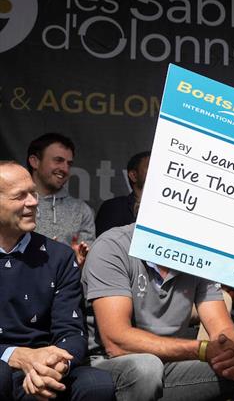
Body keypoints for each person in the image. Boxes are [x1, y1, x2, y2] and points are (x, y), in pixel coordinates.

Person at [82, 223, 234, 401]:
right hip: (116, 365)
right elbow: (117, 342)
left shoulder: (197, 254)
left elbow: (221, 326)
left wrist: (226, 352)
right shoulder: (113, 246)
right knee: (147, 367)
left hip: (174, 366)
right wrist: (201, 349)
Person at [0, 160, 115, 401]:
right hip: (3, 362)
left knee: (97, 384)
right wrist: (14, 355)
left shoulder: (58, 256)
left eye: (33, 192)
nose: (33, 202)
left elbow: (71, 330)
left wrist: (56, 364)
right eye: (20, 196)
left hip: (46, 363)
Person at [27, 133, 94, 266]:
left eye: (69, 164)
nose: (64, 168)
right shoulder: (14, 203)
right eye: (58, 160)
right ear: (35, 161)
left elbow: (87, 261)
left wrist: (78, 262)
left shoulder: (81, 210)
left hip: (65, 284)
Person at [95, 151, 150, 236]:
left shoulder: (168, 210)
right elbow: (104, 245)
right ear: (134, 176)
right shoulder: (113, 208)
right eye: (151, 166)